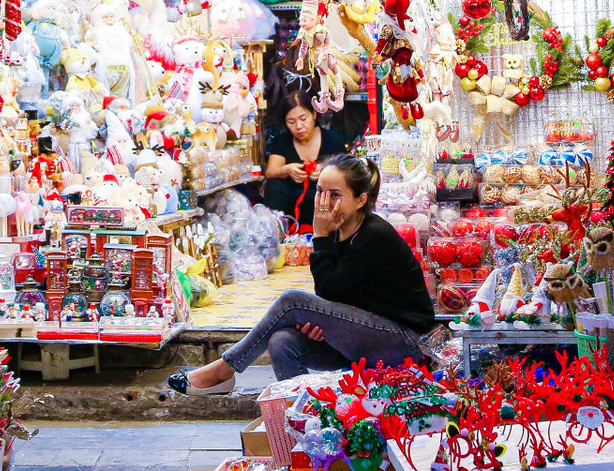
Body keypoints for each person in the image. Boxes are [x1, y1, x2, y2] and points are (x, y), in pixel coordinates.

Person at [168, 154, 436, 394]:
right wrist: (326, 324)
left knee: (293, 300)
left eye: (335, 194)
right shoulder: (340, 228)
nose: (324, 202)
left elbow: (329, 292)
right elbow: (340, 298)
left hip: (406, 344)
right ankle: (302, 416)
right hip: (367, 337)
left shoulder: (374, 234)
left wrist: (319, 235)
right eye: (320, 192)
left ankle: (225, 368)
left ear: (360, 200)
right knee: (282, 341)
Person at [263, 91, 348, 228]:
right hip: (290, 199)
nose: (298, 126)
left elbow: (347, 172)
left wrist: (326, 171)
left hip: (322, 198)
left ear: (314, 115)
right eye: (291, 121)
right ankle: (278, 232)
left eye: (303, 119)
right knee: (274, 185)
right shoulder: (282, 141)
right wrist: (286, 170)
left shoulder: (332, 139)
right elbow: (270, 172)